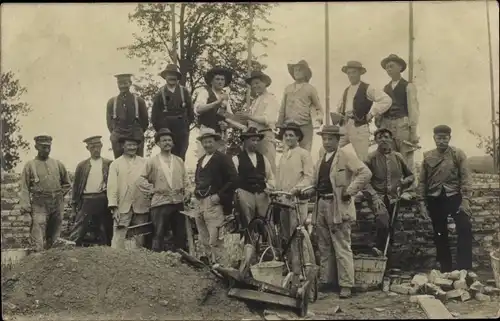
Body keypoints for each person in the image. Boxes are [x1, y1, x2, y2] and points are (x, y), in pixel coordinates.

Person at [307, 125, 372, 298]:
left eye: (330, 139)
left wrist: (349, 190)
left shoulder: (345, 156)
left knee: (342, 245)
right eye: (324, 138)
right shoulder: (321, 158)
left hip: (338, 206)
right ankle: (327, 281)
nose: (327, 142)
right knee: (324, 244)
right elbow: (316, 183)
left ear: (338, 140)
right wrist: (306, 190)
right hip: (321, 204)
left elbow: (365, 173)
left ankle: (346, 284)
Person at [418, 125, 473, 272]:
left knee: (465, 227)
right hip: (435, 199)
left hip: (454, 197)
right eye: (439, 138)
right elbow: (422, 181)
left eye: (445, 138)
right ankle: (445, 268)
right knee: (440, 233)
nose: (442, 141)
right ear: (434, 138)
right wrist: (422, 204)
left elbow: (466, 177)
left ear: (449, 138)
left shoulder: (458, 154)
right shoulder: (427, 156)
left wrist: (466, 200)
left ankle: (464, 267)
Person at [364, 128, 414, 261]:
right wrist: (374, 197)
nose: (383, 140)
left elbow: (411, 176)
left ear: (391, 140)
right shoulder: (370, 158)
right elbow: (364, 181)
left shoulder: (398, 157)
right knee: (383, 221)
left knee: (391, 227)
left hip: (393, 197)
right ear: (376, 140)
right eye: (380, 137)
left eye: (386, 137)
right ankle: (379, 250)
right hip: (378, 198)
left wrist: (404, 183)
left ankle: (387, 262)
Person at [137, 128, 191, 252]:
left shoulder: (179, 160)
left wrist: (188, 192)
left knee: (180, 235)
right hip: (160, 203)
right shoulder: (152, 161)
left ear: (172, 143)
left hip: (177, 202)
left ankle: (182, 261)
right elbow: (141, 180)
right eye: (163, 140)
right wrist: (152, 189)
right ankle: (157, 263)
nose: (167, 143)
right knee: (159, 234)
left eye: (169, 140)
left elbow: (186, 180)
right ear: (158, 144)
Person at [275, 122, 314, 284]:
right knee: (285, 236)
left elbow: (309, 176)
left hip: (297, 201)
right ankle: (292, 268)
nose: (288, 138)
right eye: (286, 135)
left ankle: (304, 270)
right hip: (283, 201)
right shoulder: (283, 156)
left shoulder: (303, 154)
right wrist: (276, 191)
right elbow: (280, 179)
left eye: (292, 135)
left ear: (298, 137)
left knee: (298, 235)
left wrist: (298, 189)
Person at [18, 135, 72, 252]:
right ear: (36, 147)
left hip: (57, 204)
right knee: (38, 237)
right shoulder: (30, 166)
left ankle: (52, 266)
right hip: (39, 204)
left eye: (48, 147)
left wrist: (58, 194)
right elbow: (24, 189)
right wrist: (26, 211)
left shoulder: (57, 164)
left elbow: (67, 183)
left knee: (55, 237)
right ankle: (37, 263)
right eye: (43, 147)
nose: (46, 150)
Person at [193, 127, 238, 265]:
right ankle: (209, 268)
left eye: (210, 142)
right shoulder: (201, 160)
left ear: (216, 142)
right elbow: (197, 180)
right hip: (200, 202)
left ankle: (221, 268)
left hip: (213, 203)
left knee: (216, 240)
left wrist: (219, 196)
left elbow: (234, 179)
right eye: (205, 142)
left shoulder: (223, 158)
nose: (207, 145)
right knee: (203, 238)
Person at [335, 61, 392, 161]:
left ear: (360, 73)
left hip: (359, 127)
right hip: (345, 126)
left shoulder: (367, 88)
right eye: (349, 73)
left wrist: (372, 113)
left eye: (354, 72)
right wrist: (339, 116)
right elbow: (339, 108)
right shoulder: (346, 90)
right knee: (330, 149)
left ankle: (366, 175)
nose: (351, 75)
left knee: (362, 159)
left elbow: (386, 100)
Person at [377, 54, 420, 169]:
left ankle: (409, 185)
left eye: (391, 66)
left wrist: (413, 131)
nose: (389, 69)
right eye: (387, 67)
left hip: (403, 125)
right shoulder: (385, 89)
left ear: (400, 67)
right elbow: (382, 108)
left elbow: (413, 109)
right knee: (390, 156)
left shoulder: (408, 86)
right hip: (388, 125)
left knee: (405, 156)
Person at [107, 136, 150, 249]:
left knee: (140, 236)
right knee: (119, 235)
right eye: (129, 145)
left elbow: (151, 181)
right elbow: (112, 187)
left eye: (134, 145)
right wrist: (114, 206)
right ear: (123, 146)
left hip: (141, 204)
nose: (132, 148)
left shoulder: (144, 162)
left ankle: (138, 260)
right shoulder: (115, 164)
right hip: (122, 205)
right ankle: (116, 258)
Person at [70, 136, 113, 246]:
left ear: (101, 146)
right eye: (92, 147)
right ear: (87, 148)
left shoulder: (108, 164)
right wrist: (74, 207)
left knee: (105, 229)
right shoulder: (82, 166)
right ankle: (70, 253)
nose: (96, 149)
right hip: (87, 200)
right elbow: (76, 187)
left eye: (98, 146)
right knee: (79, 229)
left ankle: (107, 254)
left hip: (103, 199)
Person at [235, 70, 279, 174]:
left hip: (265, 135)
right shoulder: (255, 101)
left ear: (265, 83)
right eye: (252, 84)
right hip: (253, 137)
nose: (255, 86)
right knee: (254, 167)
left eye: (257, 83)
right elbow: (249, 123)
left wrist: (249, 116)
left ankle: (271, 189)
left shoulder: (271, 98)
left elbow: (267, 119)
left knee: (268, 167)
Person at [232, 127, 275, 227]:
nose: (255, 143)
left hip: (261, 194)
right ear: (245, 141)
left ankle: (264, 241)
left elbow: (271, 177)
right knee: (247, 222)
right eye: (252, 140)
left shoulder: (263, 158)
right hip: (245, 194)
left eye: (257, 141)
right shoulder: (236, 159)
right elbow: (233, 179)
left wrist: (269, 187)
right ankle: (249, 240)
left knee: (265, 222)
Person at [277, 60, 323, 152]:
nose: (297, 72)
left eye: (299, 70)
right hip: (289, 125)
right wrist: (279, 124)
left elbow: (318, 107)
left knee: (305, 152)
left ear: (305, 73)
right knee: (287, 152)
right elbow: (282, 108)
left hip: (304, 125)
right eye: (295, 70)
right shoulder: (288, 88)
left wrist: (318, 118)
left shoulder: (310, 89)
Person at [151, 64, 194, 161]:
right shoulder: (160, 93)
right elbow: (154, 116)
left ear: (177, 77)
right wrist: (161, 130)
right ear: (165, 77)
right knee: (167, 154)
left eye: (174, 75)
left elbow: (191, 112)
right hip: (166, 128)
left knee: (181, 155)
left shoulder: (184, 91)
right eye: (169, 74)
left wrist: (186, 124)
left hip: (182, 128)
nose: (172, 77)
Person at [194, 66, 234, 158]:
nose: (220, 81)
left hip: (221, 134)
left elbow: (230, 117)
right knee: (205, 159)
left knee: (220, 161)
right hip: (207, 132)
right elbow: (198, 109)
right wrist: (217, 102)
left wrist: (227, 125)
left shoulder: (225, 96)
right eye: (217, 79)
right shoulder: (205, 92)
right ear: (211, 81)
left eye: (222, 79)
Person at [106, 73, 149, 158]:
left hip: (135, 134)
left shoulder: (139, 101)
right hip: (118, 134)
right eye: (120, 83)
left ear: (130, 83)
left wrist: (137, 131)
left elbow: (145, 122)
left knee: (138, 162)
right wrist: (116, 132)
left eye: (125, 83)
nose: (122, 86)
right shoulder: (112, 102)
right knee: (119, 163)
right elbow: (109, 123)